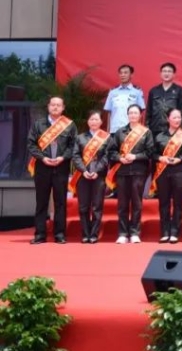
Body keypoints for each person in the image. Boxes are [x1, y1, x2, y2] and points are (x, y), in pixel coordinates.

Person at [27, 96, 78, 244]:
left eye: (58, 105)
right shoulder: (38, 124)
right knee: (41, 201)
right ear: (48, 107)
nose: (55, 107)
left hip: (61, 167)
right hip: (42, 167)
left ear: (63, 108)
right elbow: (31, 144)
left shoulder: (69, 125)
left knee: (60, 202)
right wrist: (42, 158)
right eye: (53, 105)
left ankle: (60, 234)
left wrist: (63, 157)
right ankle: (40, 234)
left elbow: (73, 146)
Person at [108, 104, 155, 244]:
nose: (133, 115)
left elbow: (150, 152)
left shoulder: (146, 132)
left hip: (138, 171)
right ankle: (122, 233)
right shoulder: (120, 132)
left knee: (136, 203)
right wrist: (119, 158)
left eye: (135, 113)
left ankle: (135, 232)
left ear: (140, 115)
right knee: (122, 203)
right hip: (122, 172)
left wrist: (135, 156)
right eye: (131, 113)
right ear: (127, 115)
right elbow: (111, 151)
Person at [71, 110, 111, 243]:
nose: (94, 122)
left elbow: (107, 156)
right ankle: (85, 234)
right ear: (88, 122)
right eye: (91, 119)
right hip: (82, 176)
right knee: (83, 206)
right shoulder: (80, 138)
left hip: (98, 176)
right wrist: (83, 170)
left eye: (96, 119)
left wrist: (97, 170)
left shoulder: (106, 138)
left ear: (101, 122)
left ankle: (94, 234)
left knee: (97, 206)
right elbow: (75, 156)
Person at [153, 109, 182, 243]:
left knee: (178, 202)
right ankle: (165, 231)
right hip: (163, 172)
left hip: (179, 171)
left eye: (179, 117)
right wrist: (160, 158)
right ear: (168, 119)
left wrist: (180, 159)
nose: (177, 120)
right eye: (174, 117)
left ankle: (175, 231)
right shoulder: (159, 136)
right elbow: (152, 154)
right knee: (163, 202)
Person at [146, 62, 182, 134]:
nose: (166, 73)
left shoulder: (179, 90)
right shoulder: (154, 91)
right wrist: (147, 127)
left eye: (169, 71)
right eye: (164, 71)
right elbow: (149, 112)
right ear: (160, 74)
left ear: (174, 74)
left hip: (172, 130)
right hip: (155, 128)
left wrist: (181, 128)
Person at [104, 64, 145, 133]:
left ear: (131, 75)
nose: (123, 75)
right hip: (115, 130)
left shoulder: (137, 92)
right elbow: (109, 113)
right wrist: (108, 131)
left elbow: (141, 113)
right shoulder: (112, 92)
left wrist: (140, 131)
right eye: (121, 73)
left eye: (125, 73)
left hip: (131, 131)